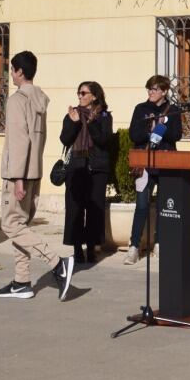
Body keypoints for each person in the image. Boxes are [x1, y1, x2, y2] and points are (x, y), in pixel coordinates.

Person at [0, 50, 73, 301]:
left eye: (12, 71)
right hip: (33, 171)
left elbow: (19, 140)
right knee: (21, 226)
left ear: (19, 72)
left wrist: (17, 177)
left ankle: (57, 262)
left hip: (19, 174)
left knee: (11, 224)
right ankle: (21, 281)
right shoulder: (39, 99)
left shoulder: (18, 100)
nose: (11, 75)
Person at [124, 75, 181, 265]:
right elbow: (134, 134)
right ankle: (133, 246)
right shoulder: (141, 109)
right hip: (145, 163)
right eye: (149, 89)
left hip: (165, 162)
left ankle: (159, 243)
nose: (151, 92)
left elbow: (177, 134)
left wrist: (162, 128)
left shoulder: (173, 110)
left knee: (164, 207)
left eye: (155, 89)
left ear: (164, 91)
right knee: (141, 205)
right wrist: (151, 129)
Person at [60, 81, 114, 266]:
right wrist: (75, 123)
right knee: (75, 209)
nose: (80, 96)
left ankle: (91, 249)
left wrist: (91, 124)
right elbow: (65, 139)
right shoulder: (72, 114)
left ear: (94, 96)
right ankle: (77, 249)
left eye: (84, 93)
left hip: (97, 167)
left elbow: (105, 140)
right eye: (79, 93)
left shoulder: (104, 116)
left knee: (94, 210)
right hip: (76, 166)